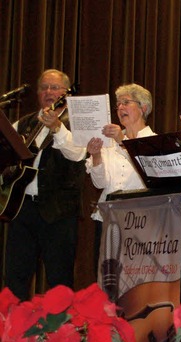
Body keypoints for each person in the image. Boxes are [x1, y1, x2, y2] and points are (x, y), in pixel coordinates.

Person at [3, 69, 86, 300]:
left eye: (55, 87)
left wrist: (58, 128)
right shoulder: (25, 122)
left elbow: (78, 154)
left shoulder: (76, 121)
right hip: (22, 209)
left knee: (60, 280)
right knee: (15, 277)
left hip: (59, 211)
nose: (49, 92)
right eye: (44, 87)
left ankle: (62, 333)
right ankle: (12, 331)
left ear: (66, 93)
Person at [85, 84, 156, 265]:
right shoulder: (108, 143)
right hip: (107, 218)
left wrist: (122, 141)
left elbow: (146, 170)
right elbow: (100, 183)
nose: (121, 108)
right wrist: (96, 155)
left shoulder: (154, 141)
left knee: (133, 278)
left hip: (139, 221)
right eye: (118, 104)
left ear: (143, 108)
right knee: (105, 277)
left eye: (126, 102)